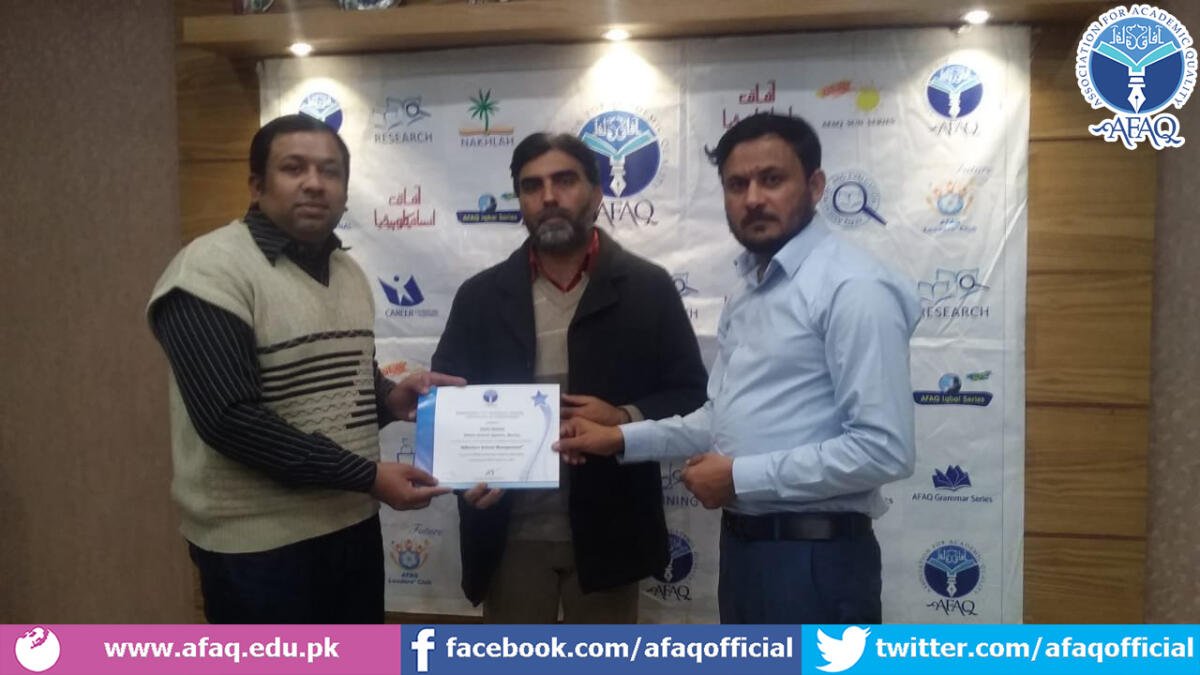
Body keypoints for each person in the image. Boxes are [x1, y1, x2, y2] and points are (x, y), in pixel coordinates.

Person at [557, 113, 920, 624]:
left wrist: (738, 476)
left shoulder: (853, 287)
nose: (753, 199)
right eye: (737, 184)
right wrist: (618, 437)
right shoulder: (751, 289)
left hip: (816, 562)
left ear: (815, 186)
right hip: (747, 554)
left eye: (772, 179)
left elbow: (884, 450)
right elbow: (720, 419)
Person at [147, 114, 463, 623]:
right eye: (294, 168)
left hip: (351, 524)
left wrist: (389, 398)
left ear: (344, 191)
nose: (315, 183)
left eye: (330, 171)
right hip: (257, 545)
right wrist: (367, 475)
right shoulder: (209, 271)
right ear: (256, 185)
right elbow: (230, 420)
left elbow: (346, 380)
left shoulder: (348, 272)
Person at [431, 132, 708, 623]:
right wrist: (462, 476)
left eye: (564, 181)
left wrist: (623, 418)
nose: (549, 197)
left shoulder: (648, 288)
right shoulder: (479, 297)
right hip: (509, 536)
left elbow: (691, 395)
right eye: (531, 186)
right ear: (520, 200)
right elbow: (447, 406)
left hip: (611, 531)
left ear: (597, 193)